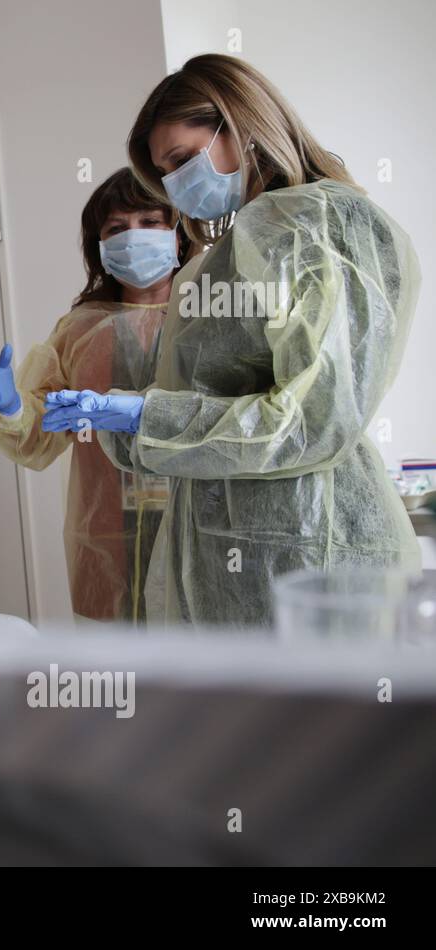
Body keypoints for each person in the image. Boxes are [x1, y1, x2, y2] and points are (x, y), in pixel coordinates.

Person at [44, 54, 421, 626]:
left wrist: (148, 417)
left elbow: (314, 420)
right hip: (215, 556)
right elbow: (189, 404)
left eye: (182, 160)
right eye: (165, 174)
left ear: (239, 123)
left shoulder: (322, 224)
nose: (177, 187)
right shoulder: (212, 262)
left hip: (313, 549)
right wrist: (124, 418)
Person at [0, 168, 182, 623]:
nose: (135, 237)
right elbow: (41, 432)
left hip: (196, 531)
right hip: (107, 539)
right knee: (118, 680)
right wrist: (12, 406)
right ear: (99, 247)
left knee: (198, 673)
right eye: (116, 229)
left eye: (150, 221)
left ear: (179, 231)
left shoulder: (208, 318)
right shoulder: (81, 330)